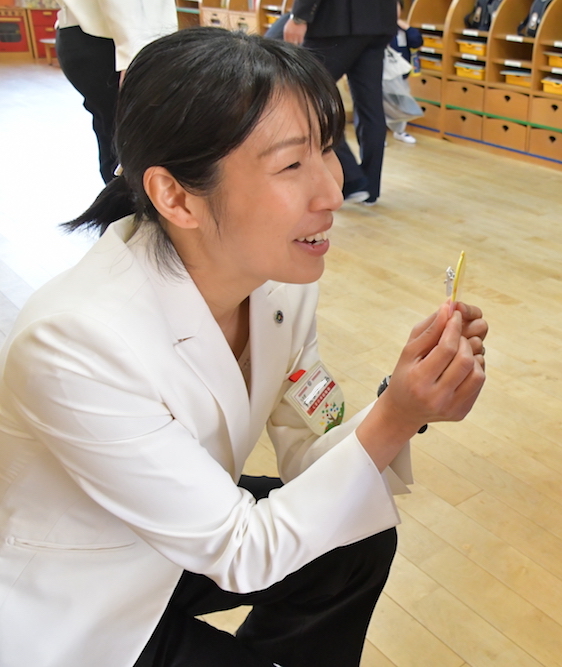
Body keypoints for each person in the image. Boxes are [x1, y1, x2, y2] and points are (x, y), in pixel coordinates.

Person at [0, 28, 487, 667]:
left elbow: (311, 451)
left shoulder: (276, 286)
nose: (332, 190)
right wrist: (397, 416)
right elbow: (240, 551)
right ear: (176, 196)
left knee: (357, 537)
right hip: (80, 602)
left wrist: (402, 403)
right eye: (291, 165)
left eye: (327, 149)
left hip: (183, 538)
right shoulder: (75, 343)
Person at [284, 0, 396, 205]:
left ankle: (352, 179)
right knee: (370, 105)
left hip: (337, 21)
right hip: (380, 19)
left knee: (304, 93)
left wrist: (299, 16)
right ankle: (370, 187)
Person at [55, 0, 177, 184]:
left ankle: (119, 197)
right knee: (134, 148)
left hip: (92, 38)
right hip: (115, 44)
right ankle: (125, 199)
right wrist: (133, 60)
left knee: (114, 139)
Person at [386, 0, 423, 144]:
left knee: (402, 102)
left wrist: (407, 28)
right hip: (384, 75)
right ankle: (378, 135)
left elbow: (417, 41)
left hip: (401, 74)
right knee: (381, 104)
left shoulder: (402, 29)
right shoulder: (381, 27)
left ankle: (400, 131)